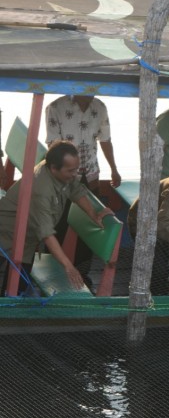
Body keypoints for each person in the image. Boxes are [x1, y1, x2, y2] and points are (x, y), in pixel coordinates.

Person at [0, 142, 113, 294]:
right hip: (8, 233)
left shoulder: (61, 173)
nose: (75, 174)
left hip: (27, 239)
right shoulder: (42, 189)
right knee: (14, 285)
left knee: (18, 284)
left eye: (76, 169)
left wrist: (94, 215)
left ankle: (12, 299)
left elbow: (76, 190)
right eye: (71, 171)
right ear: (54, 168)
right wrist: (68, 266)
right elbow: (46, 233)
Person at [45, 94, 122, 281]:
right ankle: (52, 270)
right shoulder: (55, 106)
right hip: (64, 178)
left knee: (90, 226)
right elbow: (52, 146)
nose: (90, 91)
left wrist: (114, 169)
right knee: (59, 223)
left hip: (91, 175)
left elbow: (105, 139)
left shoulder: (100, 106)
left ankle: (82, 272)